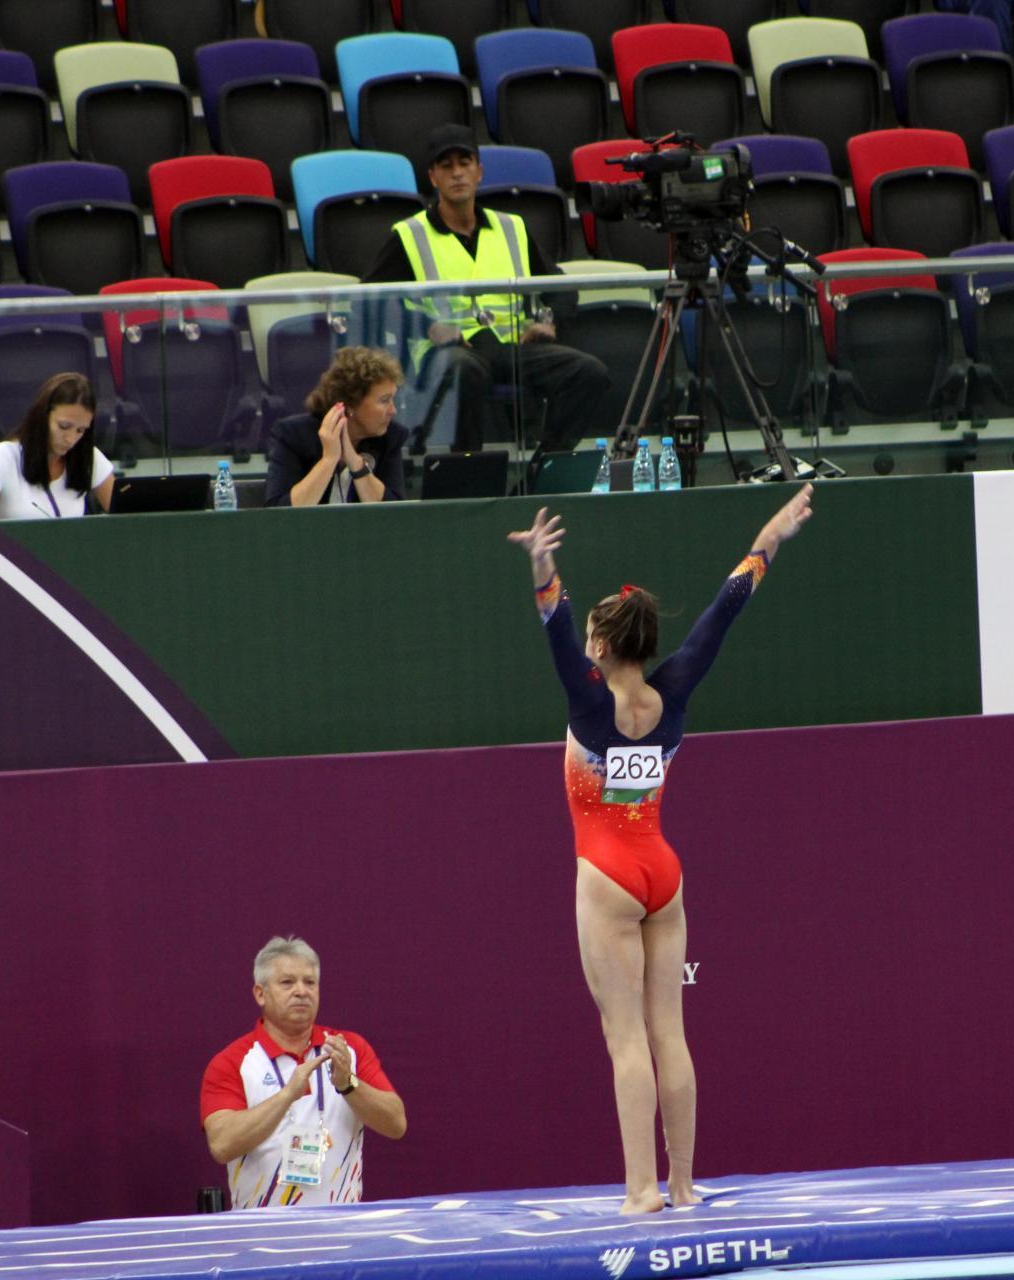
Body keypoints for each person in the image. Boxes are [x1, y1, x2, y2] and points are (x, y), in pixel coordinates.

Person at [505, 483, 815, 1213]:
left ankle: (640, 1188)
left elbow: (556, 630)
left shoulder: (589, 700)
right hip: (662, 874)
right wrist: (765, 542)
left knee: (625, 1041)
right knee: (669, 1032)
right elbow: (722, 613)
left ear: (603, 647)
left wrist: (544, 572)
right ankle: (681, 1183)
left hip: (607, 876)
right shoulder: (674, 691)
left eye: (592, 642)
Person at [364, 123, 610, 453]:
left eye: (464, 163)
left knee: (589, 373)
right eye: (446, 166)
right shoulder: (409, 235)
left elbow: (561, 287)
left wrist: (549, 321)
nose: (457, 173)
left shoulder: (512, 227)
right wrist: (428, 327)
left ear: (479, 171)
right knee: (465, 370)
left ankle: (547, 464)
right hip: (446, 355)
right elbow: (369, 301)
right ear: (433, 177)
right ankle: (468, 476)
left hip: (512, 348)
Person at [199, 935, 407, 1208]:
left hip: (341, 1232)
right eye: (287, 982)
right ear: (260, 993)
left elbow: (396, 1124)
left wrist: (349, 1084)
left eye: (310, 982)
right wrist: (286, 1096)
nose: (301, 991)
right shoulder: (233, 1061)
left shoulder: (348, 1049)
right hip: (262, 1236)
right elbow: (222, 1144)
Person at [263, 346, 409, 507]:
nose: (393, 411)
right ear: (351, 404)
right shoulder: (293, 436)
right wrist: (329, 460)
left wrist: (356, 464)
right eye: (384, 400)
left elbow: (395, 515)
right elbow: (279, 513)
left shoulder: (390, 438)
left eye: (392, 400)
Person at [0, 372, 115, 521]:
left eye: (80, 430)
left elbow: (131, 517)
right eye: (63, 426)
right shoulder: (2, 456)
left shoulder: (88, 457)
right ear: (42, 416)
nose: (71, 439)